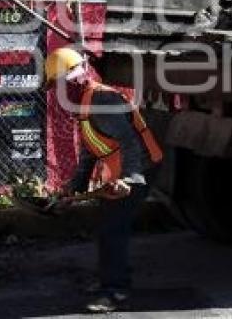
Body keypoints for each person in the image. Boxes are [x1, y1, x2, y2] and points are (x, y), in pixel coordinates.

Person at [45, 47, 163, 313]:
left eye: (57, 85)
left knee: (112, 228)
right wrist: (74, 187)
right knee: (109, 225)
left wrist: (129, 179)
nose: (56, 93)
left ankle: (115, 290)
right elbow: (91, 150)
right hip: (126, 169)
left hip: (140, 168)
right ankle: (111, 279)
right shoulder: (85, 103)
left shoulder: (101, 101)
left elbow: (130, 142)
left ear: (72, 81)